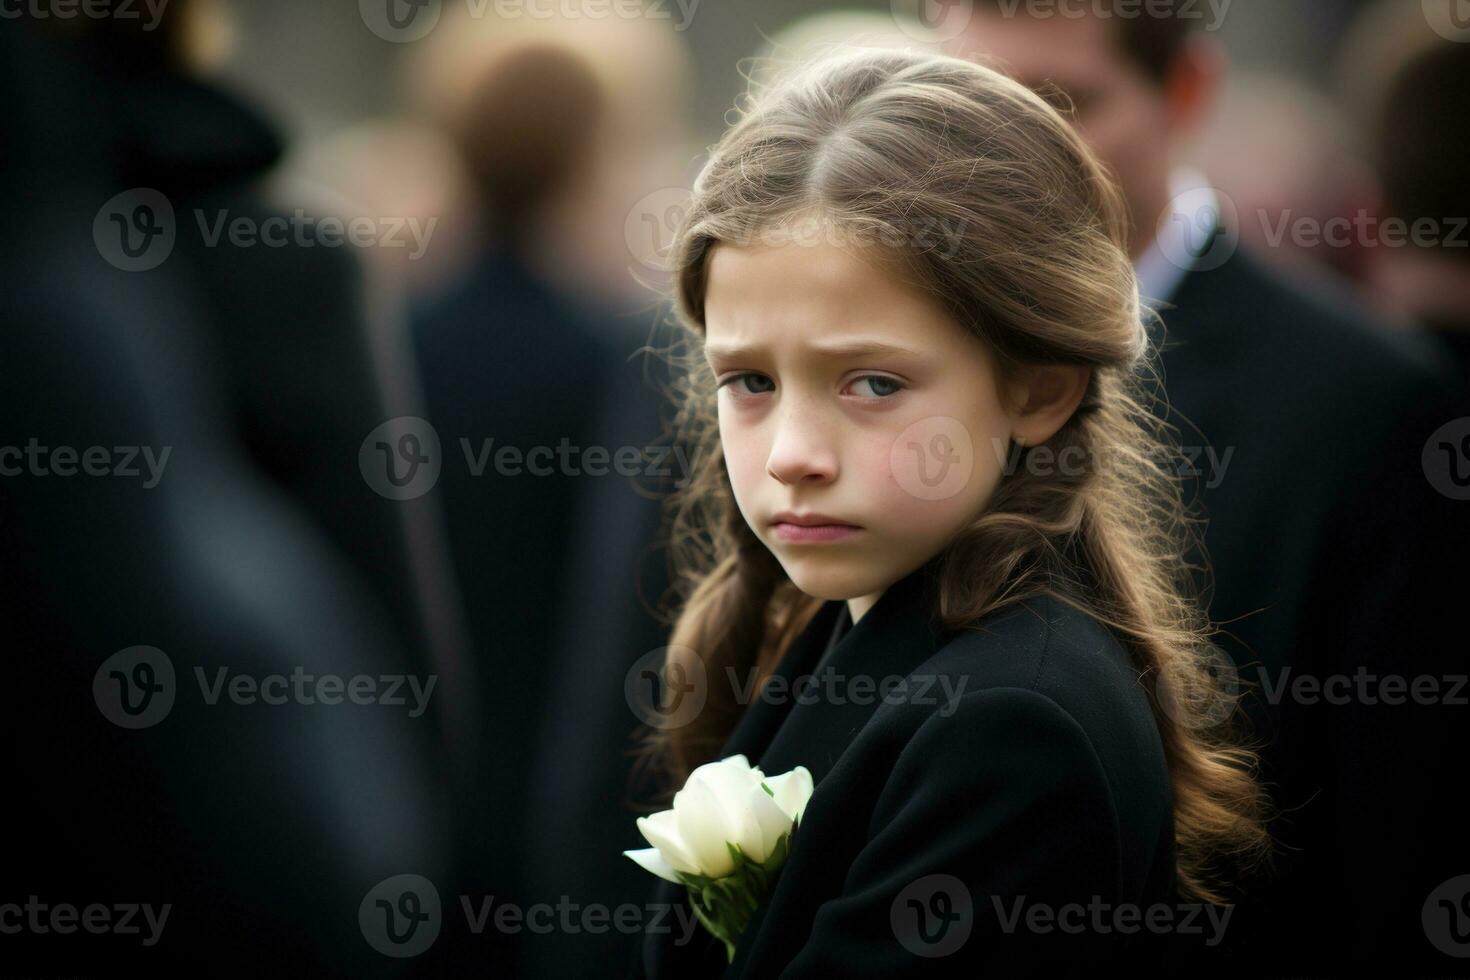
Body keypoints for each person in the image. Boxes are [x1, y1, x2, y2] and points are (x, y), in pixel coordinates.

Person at [626, 48, 1273, 977]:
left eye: (874, 382)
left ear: (1039, 390)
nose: (793, 453)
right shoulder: (859, 634)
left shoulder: (1012, 730)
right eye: (751, 381)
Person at [946, 4, 1466, 972]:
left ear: (1186, 91)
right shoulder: (898, 375)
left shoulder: (1365, 401)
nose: (1010, 149)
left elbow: (1401, 835)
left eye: (1067, 103)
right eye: (978, 100)